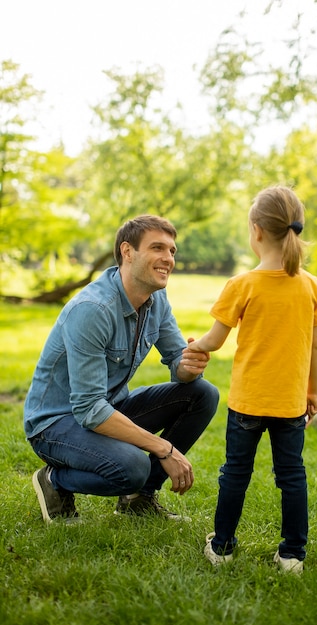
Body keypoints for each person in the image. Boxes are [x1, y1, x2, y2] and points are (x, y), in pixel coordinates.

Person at [24, 214, 219, 524]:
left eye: (172, 251)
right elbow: (88, 409)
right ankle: (55, 481)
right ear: (128, 252)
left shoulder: (157, 299)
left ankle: (139, 500)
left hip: (107, 408)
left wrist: (189, 366)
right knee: (132, 468)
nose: (168, 258)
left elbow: (177, 366)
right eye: (158, 248)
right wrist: (163, 448)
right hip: (56, 423)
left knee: (202, 394)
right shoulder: (93, 309)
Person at [186, 185, 317, 573]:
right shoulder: (311, 286)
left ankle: (222, 547)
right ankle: (291, 555)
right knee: (292, 476)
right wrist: (312, 393)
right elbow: (316, 349)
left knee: (235, 473)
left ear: (257, 231)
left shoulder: (242, 285)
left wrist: (193, 344)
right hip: (289, 404)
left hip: (248, 402)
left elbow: (214, 341)